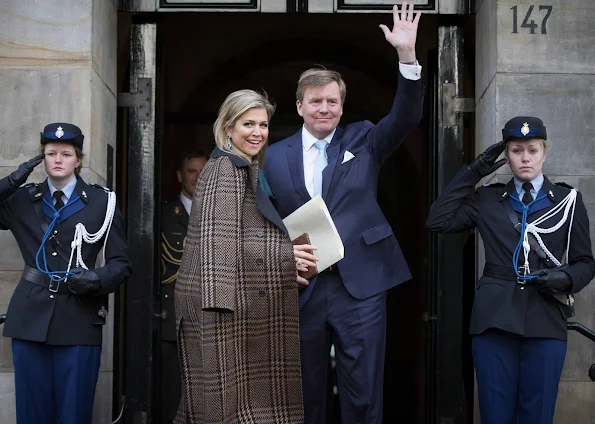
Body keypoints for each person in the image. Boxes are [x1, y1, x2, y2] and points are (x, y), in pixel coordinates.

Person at [262, 3, 424, 423]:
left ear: (341, 104)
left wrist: (406, 57)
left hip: (361, 283)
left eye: (332, 101)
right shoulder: (272, 157)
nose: (325, 108)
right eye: (316, 101)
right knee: (303, 391)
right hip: (302, 286)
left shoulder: (364, 139)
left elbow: (405, 116)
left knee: (364, 389)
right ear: (299, 106)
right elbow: (262, 218)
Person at [426, 116, 595, 424]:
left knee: (538, 415)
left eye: (532, 149)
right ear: (507, 155)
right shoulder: (487, 199)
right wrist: (474, 171)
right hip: (495, 323)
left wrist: (567, 278)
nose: (525, 157)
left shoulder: (568, 200)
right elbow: (437, 220)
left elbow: (586, 263)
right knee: (495, 415)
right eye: (516, 150)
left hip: (546, 321)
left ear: (544, 152)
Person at [174, 90, 304, 423]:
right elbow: (220, 246)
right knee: (226, 411)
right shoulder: (225, 170)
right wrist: (289, 256)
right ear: (228, 127)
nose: (257, 132)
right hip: (223, 313)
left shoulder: (240, 167)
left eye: (262, 124)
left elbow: (242, 238)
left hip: (233, 309)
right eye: (248, 123)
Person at [0, 123, 132, 424]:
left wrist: (96, 280)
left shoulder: (102, 202)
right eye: (50, 153)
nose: (57, 159)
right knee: (32, 414)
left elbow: (121, 263)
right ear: (41, 159)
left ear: (78, 159)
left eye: (66, 153)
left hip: (78, 318)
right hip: (29, 318)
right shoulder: (21, 199)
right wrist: (12, 179)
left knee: (73, 413)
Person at [160, 150, 208, 424]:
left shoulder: (220, 214)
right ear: (180, 176)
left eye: (203, 172)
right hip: (173, 322)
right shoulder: (164, 214)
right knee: (173, 397)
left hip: (212, 320)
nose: (197, 178)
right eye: (192, 171)